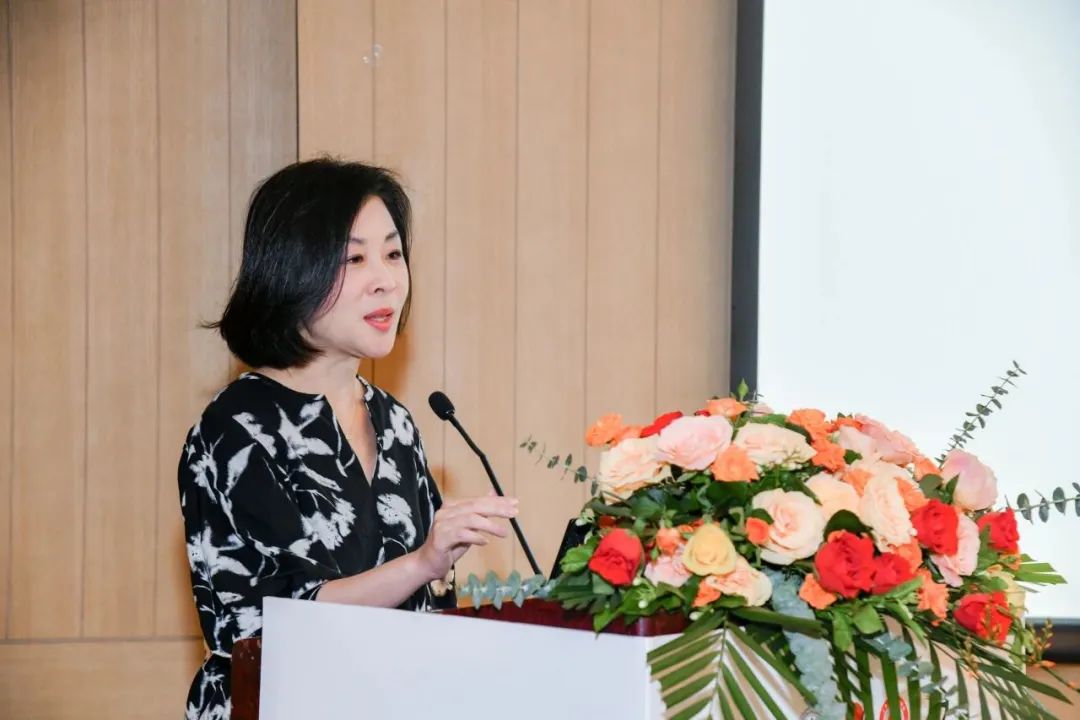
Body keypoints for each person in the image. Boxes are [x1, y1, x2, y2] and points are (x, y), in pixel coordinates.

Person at [178, 158, 518, 719]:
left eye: (393, 253)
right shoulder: (237, 428)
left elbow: (419, 611)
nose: (386, 279)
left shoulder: (395, 422)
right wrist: (422, 563)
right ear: (292, 272)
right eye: (354, 259)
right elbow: (280, 620)